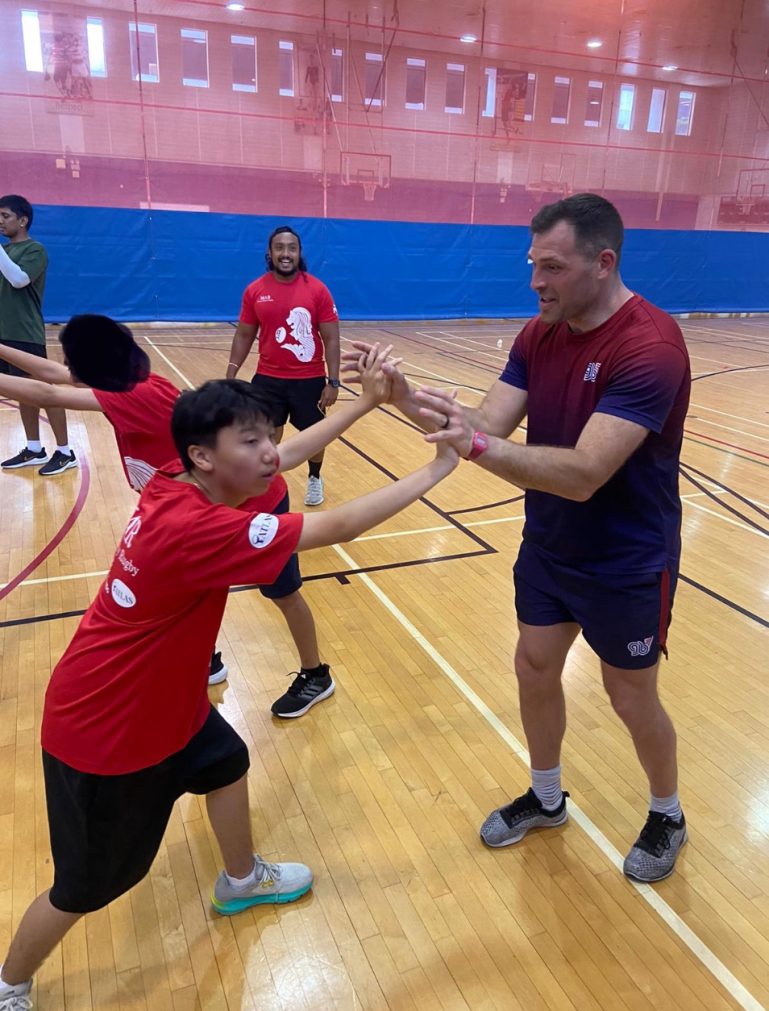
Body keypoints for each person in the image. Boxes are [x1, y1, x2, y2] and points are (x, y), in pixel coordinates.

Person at [0, 356, 459, 1011]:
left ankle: (240, 878)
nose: (269, 452)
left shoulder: (178, 482)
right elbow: (337, 527)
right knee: (86, 887)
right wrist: (439, 468)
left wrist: (362, 405)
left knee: (226, 761)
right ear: (203, 456)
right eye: (249, 441)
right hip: (108, 731)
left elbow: (282, 455)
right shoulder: (200, 529)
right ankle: (9, 984)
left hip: (163, 700)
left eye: (265, 436)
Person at [343, 193, 691, 884]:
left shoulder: (649, 346)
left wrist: (472, 445)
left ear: (603, 262)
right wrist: (401, 396)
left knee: (630, 698)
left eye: (551, 267)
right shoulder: (539, 334)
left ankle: (667, 812)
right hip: (549, 546)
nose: (535, 281)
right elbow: (486, 422)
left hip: (626, 560)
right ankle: (546, 795)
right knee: (534, 667)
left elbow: (586, 472)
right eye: (532, 264)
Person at [0, 314, 335, 713]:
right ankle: (207, 658)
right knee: (196, 591)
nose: (68, 370)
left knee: (282, 593)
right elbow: (54, 374)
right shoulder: (125, 383)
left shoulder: (133, 396)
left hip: (252, 503)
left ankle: (316, 674)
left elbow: (48, 393)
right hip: (203, 509)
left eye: (76, 364)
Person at [226, 225, 340, 507]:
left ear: (299, 253)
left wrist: (333, 381)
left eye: (291, 248)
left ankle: (314, 478)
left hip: (309, 380)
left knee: (314, 438)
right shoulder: (255, 290)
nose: (285, 253)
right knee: (267, 437)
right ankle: (269, 485)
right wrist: (231, 373)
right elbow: (244, 334)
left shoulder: (317, 290)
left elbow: (331, 338)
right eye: (280, 248)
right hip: (268, 379)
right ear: (270, 253)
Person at [0, 195, 77, 476]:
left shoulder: (35, 250)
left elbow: (19, 280)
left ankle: (66, 452)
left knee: (45, 393)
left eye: (5, 216)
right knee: (21, 392)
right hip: (2, 334)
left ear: (23, 221)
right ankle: (34, 448)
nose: (0, 221)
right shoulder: (4, 252)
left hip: (24, 333)